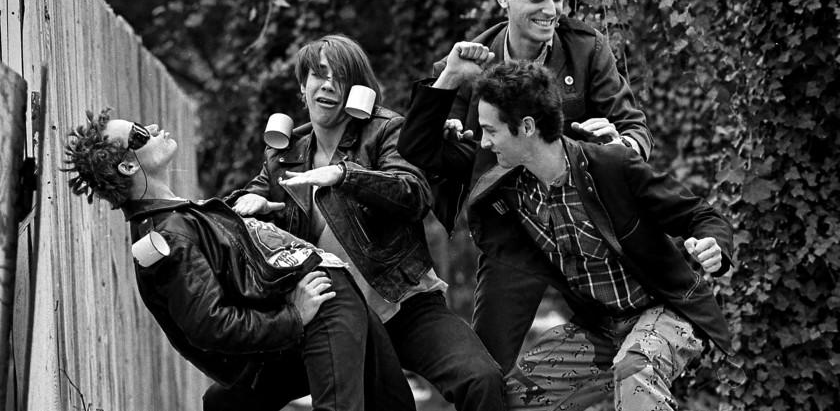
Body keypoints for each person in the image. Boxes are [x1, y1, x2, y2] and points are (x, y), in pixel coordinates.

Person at [403, 53, 735, 410]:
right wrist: (449, 77)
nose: (483, 141)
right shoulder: (505, 186)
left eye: (491, 130)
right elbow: (417, 148)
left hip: (665, 311)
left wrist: (714, 245)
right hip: (600, 327)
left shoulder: (611, 166)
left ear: (527, 127)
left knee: (634, 368)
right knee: (510, 399)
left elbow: (700, 215)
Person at [63, 108, 416, 411]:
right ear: (127, 166)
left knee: (394, 403)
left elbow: (237, 267)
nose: (153, 129)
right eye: (140, 134)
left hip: (334, 299)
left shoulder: (176, 216)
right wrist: (294, 316)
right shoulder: (166, 236)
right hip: (321, 308)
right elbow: (212, 324)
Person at [229, 34, 506, 411]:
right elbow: (248, 198)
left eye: (340, 77)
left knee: (481, 379)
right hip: (333, 317)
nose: (328, 85)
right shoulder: (284, 153)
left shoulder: (386, 130)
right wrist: (249, 202)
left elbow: (413, 194)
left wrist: (345, 175)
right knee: (226, 399)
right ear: (302, 86)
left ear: (357, 90)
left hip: (401, 302)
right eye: (318, 75)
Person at [399, 0, 653, 231]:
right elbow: (419, 150)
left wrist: (621, 146)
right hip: (505, 229)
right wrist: (448, 82)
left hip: (588, 215)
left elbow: (635, 128)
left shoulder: (588, 49)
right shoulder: (462, 64)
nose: (550, 10)